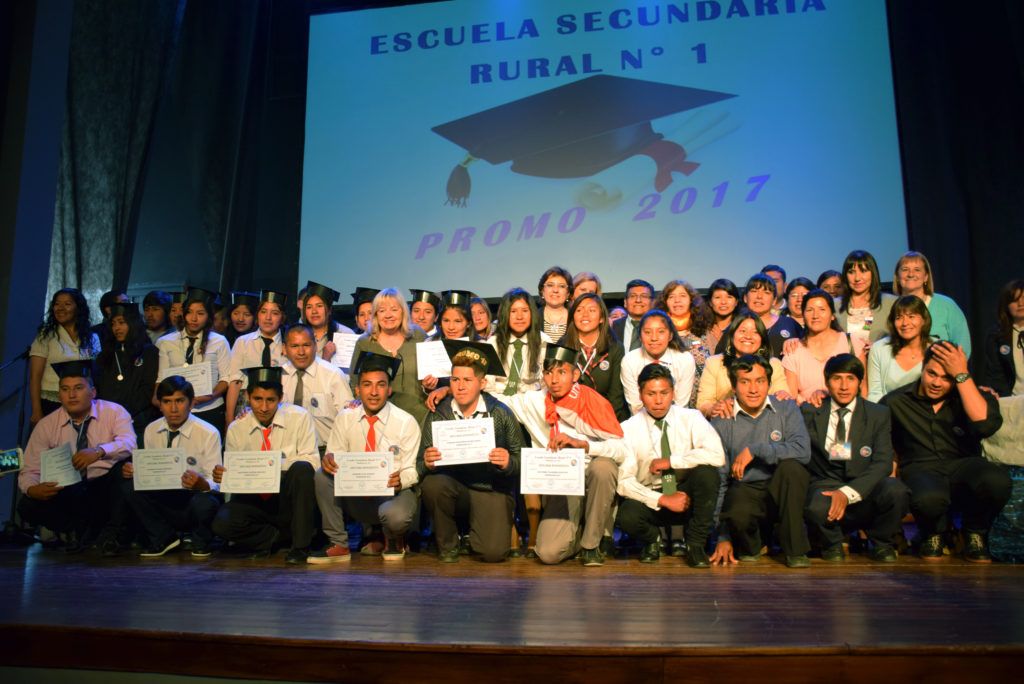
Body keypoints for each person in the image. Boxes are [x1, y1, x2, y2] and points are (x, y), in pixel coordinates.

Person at [881, 341, 1010, 562]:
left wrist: (961, 375)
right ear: (922, 367)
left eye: (946, 377)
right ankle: (933, 533)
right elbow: (884, 448)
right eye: (932, 374)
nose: (937, 383)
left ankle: (974, 533)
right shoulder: (896, 402)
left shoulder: (969, 395)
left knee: (996, 481)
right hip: (921, 467)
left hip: (963, 464)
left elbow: (985, 425)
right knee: (929, 497)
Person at [503, 344, 626, 566]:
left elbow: (621, 450)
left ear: (575, 375)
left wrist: (584, 445)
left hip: (592, 479)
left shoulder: (593, 401)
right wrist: (449, 390)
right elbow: (500, 403)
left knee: (604, 467)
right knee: (548, 554)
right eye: (549, 373)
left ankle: (591, 546)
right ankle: (580, 532)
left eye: (562, 372)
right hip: (562, 483)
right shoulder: (533, 400)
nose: (554, 380)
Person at [312, 351, 422, 562]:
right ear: (357, 389)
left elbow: (411, 470)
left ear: (389, 389)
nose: (373, 392)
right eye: (367, 385)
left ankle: (393, 538)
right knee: (321, 476)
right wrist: (329, 462)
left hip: (392, 495)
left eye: (380, 385)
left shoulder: (405, 421)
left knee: (396, 516)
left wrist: (401, 480)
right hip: (357, 498)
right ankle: (338, 544)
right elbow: (336, 457)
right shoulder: (345, 418)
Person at [418, 343, 522, 562]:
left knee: (492, 553)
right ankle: (448, 545)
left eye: (468, 380)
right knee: (433, 485)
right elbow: (419, 464)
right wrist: (427, 462)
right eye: (455, 380)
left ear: (482, 383)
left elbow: (521, 460)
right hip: (454, 488)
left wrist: (508, 463)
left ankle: (472, 536)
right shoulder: (439, 413)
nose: (460, 387)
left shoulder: (501, 413)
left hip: (490, 489)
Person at [18, 361, 136, 553]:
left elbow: (130, 443)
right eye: (65, 389)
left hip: (103, 488)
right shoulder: (47, 424)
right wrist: (33, 489)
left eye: (78, 388)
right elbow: (30, 469)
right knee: (27, 505)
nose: (71, 395)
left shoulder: (114, 411)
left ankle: (111, 535)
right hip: (68, 490)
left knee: (123, 472)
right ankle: (71, 531)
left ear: (93, 392)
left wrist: (98, 451)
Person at [801, 354, 909, 562]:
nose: (843, 386)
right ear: (826, 382)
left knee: (896, 491)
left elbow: (883, 462)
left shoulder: (878, 413)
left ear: (860, 382)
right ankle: (832, 543)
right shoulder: (809, 411)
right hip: (826, 482)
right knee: (815, 505)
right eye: (837, 379)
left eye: (850, 378)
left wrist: (847, 492)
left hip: (865, 483)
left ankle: (881, 542)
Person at [617, 363, 725, 567]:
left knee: (707, 474)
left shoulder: (691, 417)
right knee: (627, 515)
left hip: (686, 496)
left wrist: (672, 461)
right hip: (652, 497)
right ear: (640, 395)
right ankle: (652, 540)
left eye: (664, 393)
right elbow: (624, 483)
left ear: (673, 392)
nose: (658, 400)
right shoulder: (628, 429)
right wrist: (663, 499)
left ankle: (695, 544)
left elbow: (717, 455)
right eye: (651, 394)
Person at [709, 354, 812, 568]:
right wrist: (723, 536)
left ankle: (794, 550)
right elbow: (719, 480)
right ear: (734, 386)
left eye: (760, 381)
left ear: (768, 383)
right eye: (745, 382)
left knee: (793, 468)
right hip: (746, 489)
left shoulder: (786, 408)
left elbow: (803, 451)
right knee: (737, 507)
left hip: (781, 489)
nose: (753, 389)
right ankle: (753, 545)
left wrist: (756, 450)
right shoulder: (723, 419)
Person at [213, 366, 318, 564]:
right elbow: (235, 472)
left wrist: (271, 468)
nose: (263, 407)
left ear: (280, 398)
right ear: (247, 397)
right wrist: (226, 477)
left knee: (302, 468)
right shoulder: (237, 428)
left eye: (270, 400)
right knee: (222, 522)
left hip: (289, 497)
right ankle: (275, 538)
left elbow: (312, 460)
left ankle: (300, 546)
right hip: (255, 500)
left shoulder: (299, 417)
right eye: (257, 399)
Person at [119, 375, 222, 557]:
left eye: (179, 401)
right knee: (129, 487)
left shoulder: (208, 433)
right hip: (164, 498)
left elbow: (217, 483)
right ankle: (164, 537)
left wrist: (201, 484)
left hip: (192, 499)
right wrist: (136, 472)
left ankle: (201, 539)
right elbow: (150, 472)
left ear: (191, 404)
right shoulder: (152, 429)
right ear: (159, 404)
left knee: (206, 502)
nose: (173, 409)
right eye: (167, 402)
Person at [155, 287, 232, 435]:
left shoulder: (219, 341)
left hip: (210, 409)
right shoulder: (166, 342)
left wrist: (209, 396)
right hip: (176, 410)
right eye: (189, 312)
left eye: (200, 313)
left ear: (209, 316)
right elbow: (161, 378)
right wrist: (160, 400)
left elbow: (225, 379)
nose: (194, 318)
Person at [350, 288, 429, 426]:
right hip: (379, 420)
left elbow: (435, 370)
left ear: (403, 311)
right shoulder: (365, 343)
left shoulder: (418, 335)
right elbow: (355, 382)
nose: (388, 315)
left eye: (394, 309)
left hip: (419, 416)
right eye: (382, 311)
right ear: (375, 315)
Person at [696, 312, 791, 418]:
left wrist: (782, 395)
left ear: (762, 338)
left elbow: (782, 392)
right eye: (742, 331)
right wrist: (714, 409)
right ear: (732, 335)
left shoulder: (774, 364)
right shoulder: (714, 363)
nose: (748, 336)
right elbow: (703, 403)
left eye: (755, 332)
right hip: (726, 421)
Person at [29, 288, 101, 426]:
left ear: (78, 308)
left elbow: (94, 373)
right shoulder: (45, 336)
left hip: (83, 404)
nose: (60, 308)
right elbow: (35, 376)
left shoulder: (92, 337)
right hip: (51, 403)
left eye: (67, 304)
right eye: (57, 304)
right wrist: (37, 410)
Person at [279, 323, 353, 454]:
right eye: (294, 346)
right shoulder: (278, 376)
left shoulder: (333, 375)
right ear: (284, 348)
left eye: (306, 345)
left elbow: (349, 419)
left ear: (315, 346)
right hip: (286, 451)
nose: (301, 352)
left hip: (325, 451)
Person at [783, 289, 864, 404]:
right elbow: (791, 397)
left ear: (832, 315)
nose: (815, 315)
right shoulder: (793, 349)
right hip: (807, 415)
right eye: (810, 310)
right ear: (803, 316)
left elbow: (863, 387)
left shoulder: (851, 342)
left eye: (822, 310)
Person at [94, 302, 160, 444]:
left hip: (140, 420)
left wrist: (123, 414)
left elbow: (147, 389)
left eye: (121, 322)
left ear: (133, 323)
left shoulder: (149, 352)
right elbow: (101, 389)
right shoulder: (106, 356)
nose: (117, 328)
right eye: (113, 324)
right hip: (110, 423)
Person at [558, 293, 628, 421]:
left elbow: (616, 395)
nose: (585, 314)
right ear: (573, 316)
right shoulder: (563, 345)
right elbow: (559, 389)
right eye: (579, 310)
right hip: (572, 417)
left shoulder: (615, 347)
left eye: (592, 310)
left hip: (609, 418)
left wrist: (605, 424)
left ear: (602, 318)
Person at [892, 251, 971, 356]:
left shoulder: (947, 306)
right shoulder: (890, 306)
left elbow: (963, 347)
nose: (911, 274)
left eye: (917, 270)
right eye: (905, 269)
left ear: (926, 277)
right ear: (897, 277)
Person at [226, 290, 288, 423]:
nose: (268, 318)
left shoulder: (288, 344)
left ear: (282, 317)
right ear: (257, 315)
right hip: (246, 408)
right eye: (263, 312)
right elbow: (235, 382)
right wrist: (229, 419)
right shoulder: (243, 342)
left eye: (275, 313)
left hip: (279, 407)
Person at [620, 309, 696, 414]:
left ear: (670, 335)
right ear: (640, 336)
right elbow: (635, 407)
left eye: (661, 332)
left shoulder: (684, 359)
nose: (654, 338)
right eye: (647, 332)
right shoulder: (630, 360)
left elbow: (681, 405)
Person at [866, 295, 933, 401]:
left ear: (924, 320)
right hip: (888, 414)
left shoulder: (937, 349)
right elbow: (875, 394)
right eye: (899, 317)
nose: (905, 323)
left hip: (925, 414)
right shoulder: (879, 349)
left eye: (911, 316)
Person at [835, 250, 896, 348]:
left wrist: (878, 348)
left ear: (873, 273)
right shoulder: (834, 305)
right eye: (851, 272)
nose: (857, 278)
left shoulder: (891, 303)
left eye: (863, 271)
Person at [980, 278, 1024, 396]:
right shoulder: (996, 336)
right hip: (1013, 401)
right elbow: (996, 374)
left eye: (1023, 298)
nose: (1020, 304)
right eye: (1014, 300)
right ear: (1006, 305)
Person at [743, 273, 802, 358]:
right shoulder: (735, 326)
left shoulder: (790, 324)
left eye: (766, 292)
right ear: (745, 297)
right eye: (754, 291)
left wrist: (799, 341)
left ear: (774, 300)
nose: (759, 296)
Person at [303, 280, 355, 362]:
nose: (314, 311)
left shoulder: (345, 334)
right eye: (309, 307)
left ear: (330, 310)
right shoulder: (299, 335)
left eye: (319, 306)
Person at [612, 279, 655, 352]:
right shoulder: (613, 326)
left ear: (652, 302)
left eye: (644, 296)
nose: (638, 300)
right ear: (625, 302)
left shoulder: (660, 326)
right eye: (633, 296)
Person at [703, 278, 740, 355]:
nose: (723, 302)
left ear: (736, 302)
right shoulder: (702, 327)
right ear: (710, 302)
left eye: (729, 297)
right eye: (717, 297)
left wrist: (723, 340)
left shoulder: (741, 328)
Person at [537, 265, 573, 342]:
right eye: (550, 285)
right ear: (542, 290)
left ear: (568, 293)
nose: (555, 290)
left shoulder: (575, 318)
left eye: (562, 286)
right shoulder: (533, 318)